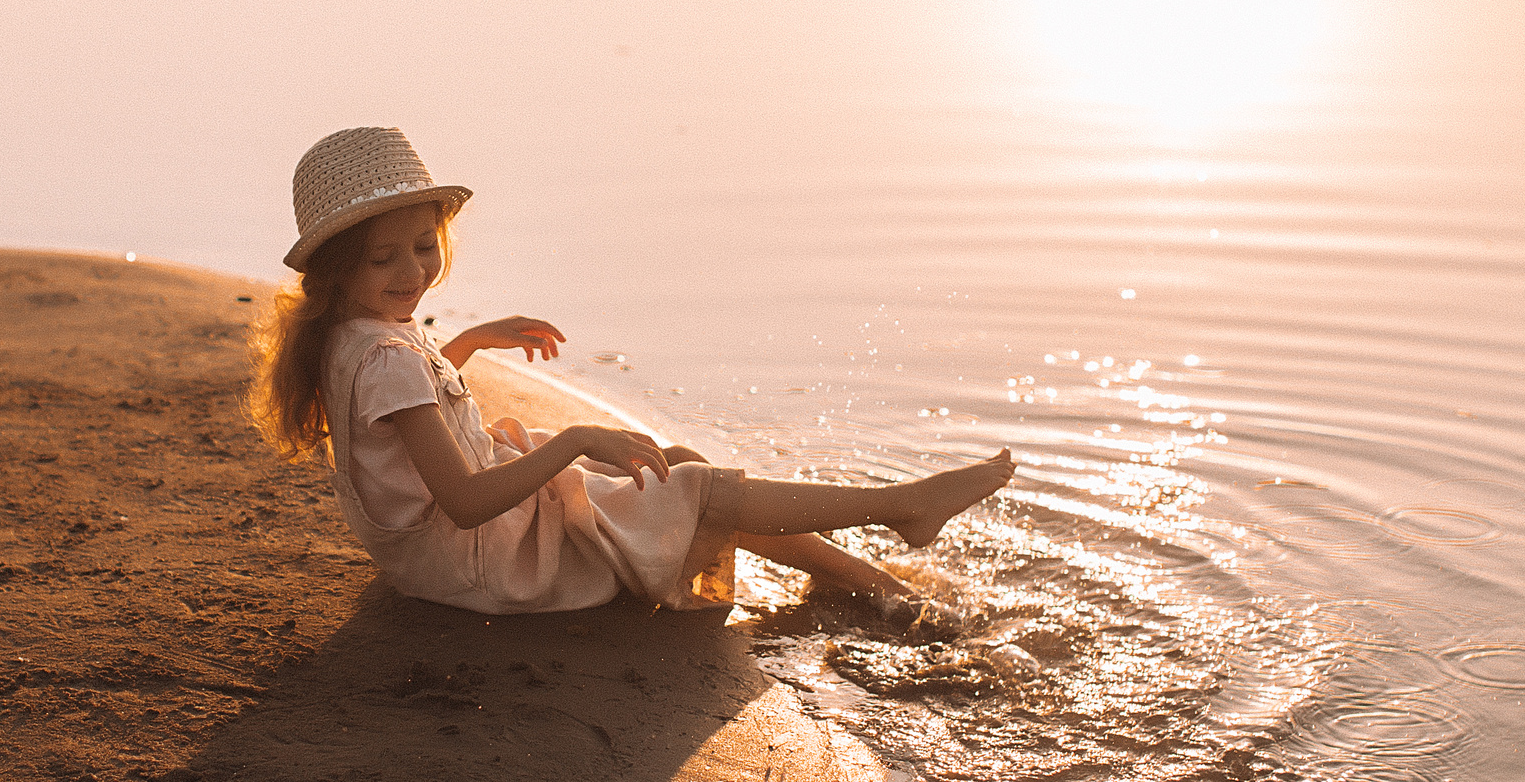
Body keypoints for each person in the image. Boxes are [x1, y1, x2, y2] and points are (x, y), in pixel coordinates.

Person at [250, 126, 1014, 621]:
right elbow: (467, 498)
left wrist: (471, 343)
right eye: (384, 258)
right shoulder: (385, 356)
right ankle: (897, 507)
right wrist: (578, 437)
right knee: (689, 487)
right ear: (339, 268)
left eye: (424, 245)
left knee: (677, 467)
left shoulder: (355, 336)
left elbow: (408, 425)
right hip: (482, 565)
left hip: (434, 558)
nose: (413, 270)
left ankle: (865, 578)